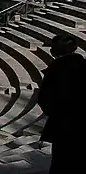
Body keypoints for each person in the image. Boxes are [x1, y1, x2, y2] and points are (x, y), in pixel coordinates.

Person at [37, 33, 86, 174]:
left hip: (64, 126)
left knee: (62, 162)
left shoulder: (55, 72)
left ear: (53, 52)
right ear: (75, 49)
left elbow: (45, 101)